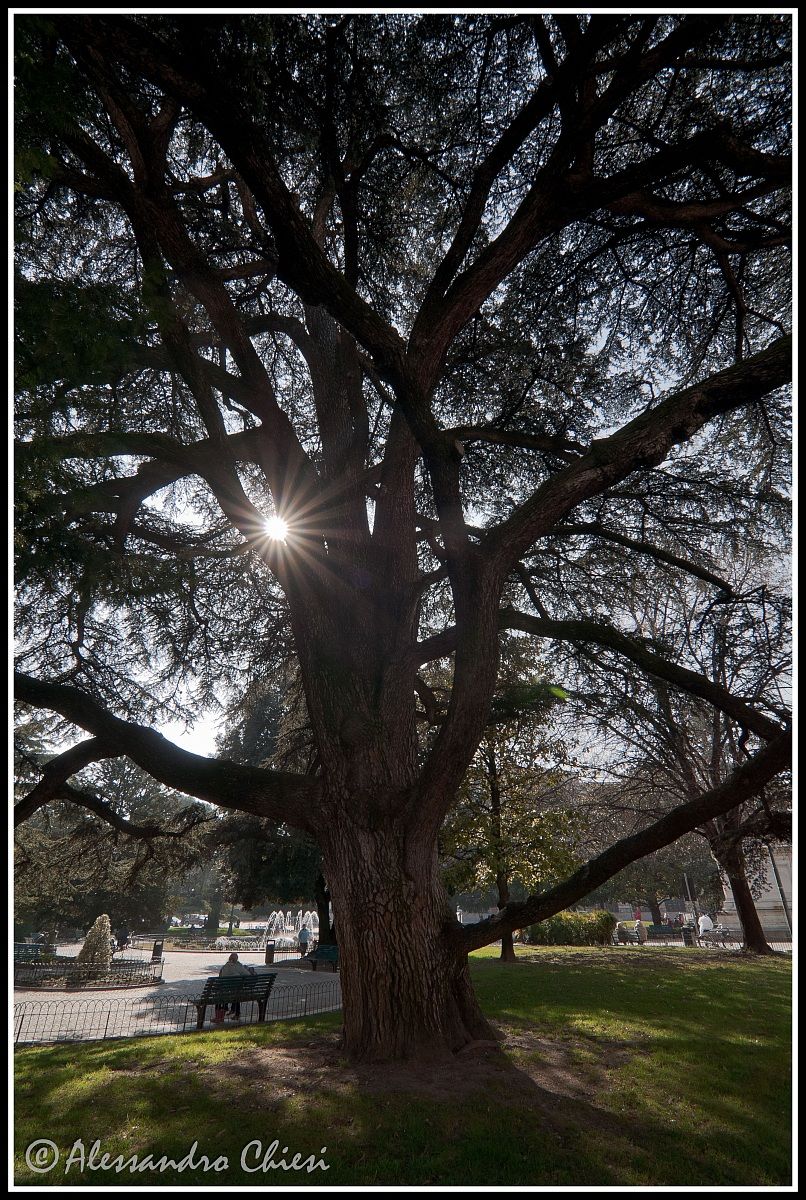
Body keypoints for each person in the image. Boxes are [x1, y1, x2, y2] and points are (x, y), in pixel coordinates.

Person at [214, 952, 254, 1022]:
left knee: (220, 995)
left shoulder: (225, 967)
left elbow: (220, 978)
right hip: (236, 992)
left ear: (229, 958)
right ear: (237, 959)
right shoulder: (239, 966)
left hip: (225, 993)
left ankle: (219, 1017)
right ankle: (236, 1014)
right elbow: (248, 974)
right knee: (236, 993)